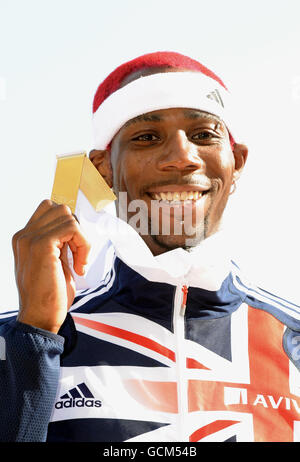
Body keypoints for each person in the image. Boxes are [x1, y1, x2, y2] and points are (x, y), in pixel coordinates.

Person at [1, 51, 300, 443]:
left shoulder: (293, 338)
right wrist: (35, 337)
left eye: (203, 135)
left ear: (237, 162)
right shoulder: (20, 340)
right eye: (146, 137)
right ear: (103, 170)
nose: (181, 158)